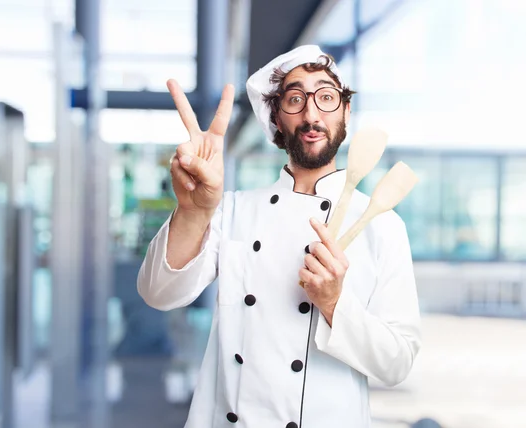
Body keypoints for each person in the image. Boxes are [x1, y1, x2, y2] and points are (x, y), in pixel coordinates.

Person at [137, 45, 421, 428]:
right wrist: (194, 211)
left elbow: (397, 363)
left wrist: (335, 304)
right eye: (294, 99)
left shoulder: (383, 225)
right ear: (276, 119)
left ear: (346, 112)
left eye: (326, 97)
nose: (311, 113)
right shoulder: (233, 209)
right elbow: (158, 293)